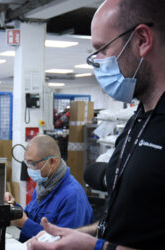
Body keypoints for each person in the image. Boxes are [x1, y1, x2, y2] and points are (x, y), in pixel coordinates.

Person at [27, 0, 165, 249]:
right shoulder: (137, 122)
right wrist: (68, 236)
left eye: (102, 49)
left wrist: (96, 248)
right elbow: (120, 223)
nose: (97, 62)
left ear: (142, 40)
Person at [4, 135, 93, 242]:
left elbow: (66, 242)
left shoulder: (72, 196)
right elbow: (29, 217)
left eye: (32, 163)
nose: (29, 168)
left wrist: (25, 224)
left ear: (52, 162)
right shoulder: (44, 185)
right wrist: (14, 208)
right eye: (27, 163)